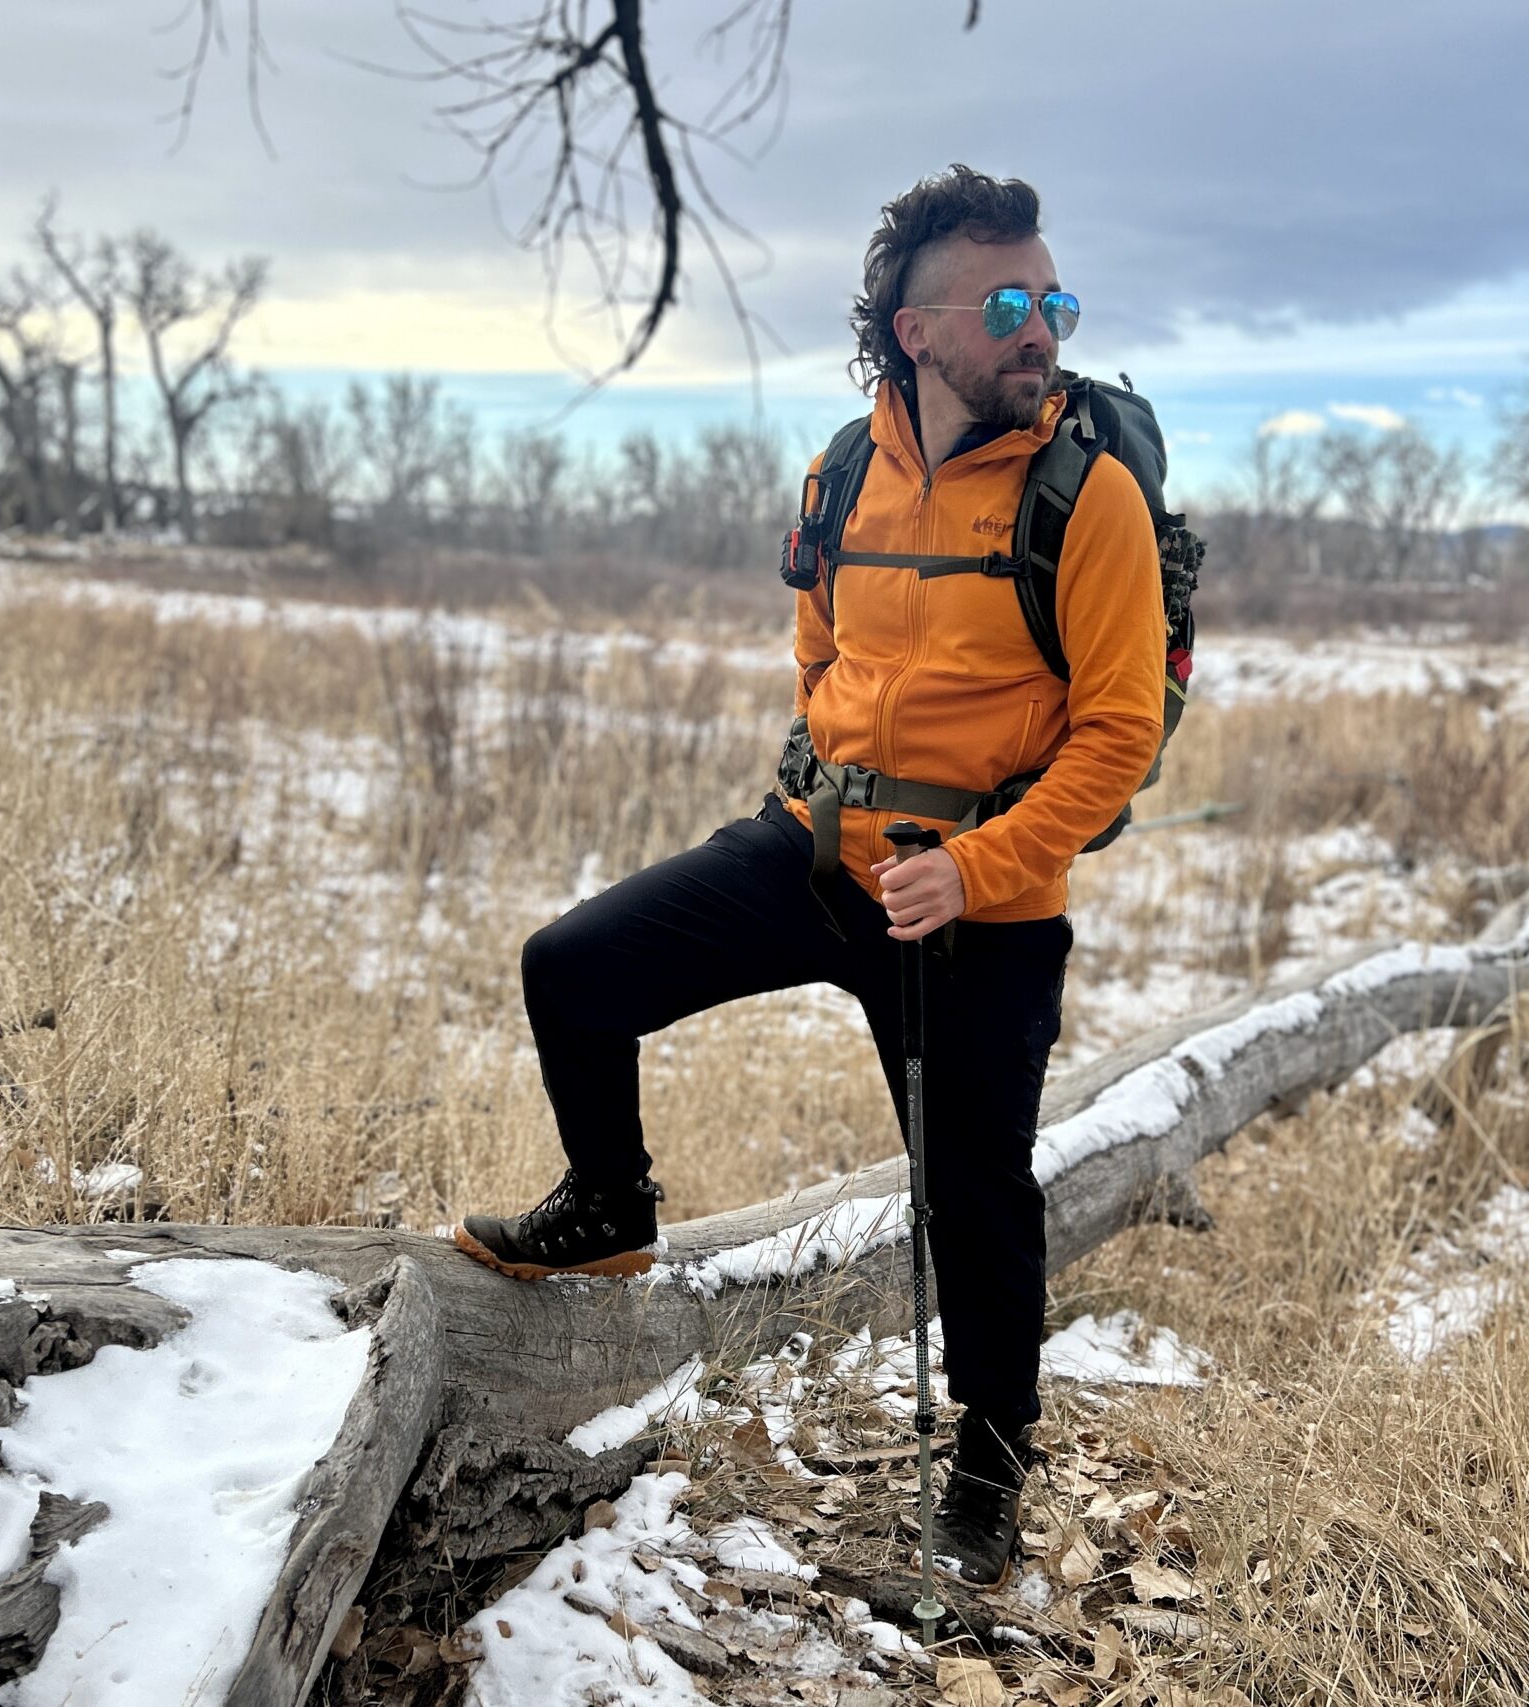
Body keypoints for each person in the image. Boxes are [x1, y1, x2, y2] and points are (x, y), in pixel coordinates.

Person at [452, 164, 1167, 1590]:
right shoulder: (842, 471)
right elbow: (822, 652)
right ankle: (610, 1208)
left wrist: (975, 867)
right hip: (814, 855)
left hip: (981, 911)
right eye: (1012, 304)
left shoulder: (1087, 500)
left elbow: (1120, 735)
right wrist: (827, 798)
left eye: (1057, 299)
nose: (1044, 331)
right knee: (571, 970)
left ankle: (993, 1455)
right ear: (920, 331)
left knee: (975, 1192)